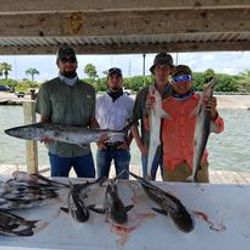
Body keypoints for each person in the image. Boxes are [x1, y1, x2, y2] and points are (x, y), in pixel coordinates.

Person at [36, 45, 98, 178]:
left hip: (83, 150)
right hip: (58, 150)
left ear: (76, 63)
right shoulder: (47, 88)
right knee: (58, 188)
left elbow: (92, 120)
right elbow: (44, 120)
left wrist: (100, 137)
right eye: (64, 60)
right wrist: (43, 135)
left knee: (90, 185)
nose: (68, 63)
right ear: (58, 63)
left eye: (72, 60)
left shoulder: (89, 90)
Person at [161, 65, 224, 182]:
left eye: (185, 77)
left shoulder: (203, 102)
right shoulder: (163, 105)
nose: (182, 82)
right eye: (177, 79)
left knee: (201, 200)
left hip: (199, 165)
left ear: (191, 80)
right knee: (171, 200)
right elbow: (150, 127)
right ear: (172, 82)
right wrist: (150, 110)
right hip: (172, 167)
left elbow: (219, 128)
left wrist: (214, 112)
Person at [132, 53, 174, 180]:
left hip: (171, 150)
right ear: (154, 70)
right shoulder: (144, 93)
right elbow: (133, 121)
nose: (161, 71)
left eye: (165, 68)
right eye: (158, 68)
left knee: (171, 184)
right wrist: (140, 145)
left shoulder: (176, 92)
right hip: (149, 148)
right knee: (148, 182)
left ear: (170, 71)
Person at [95, 68, 134, 179]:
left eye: (118, 77)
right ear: (107, 80)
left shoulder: (130, 102)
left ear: (122, 80)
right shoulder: (99, 101)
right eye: (111, 77)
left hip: (121, 147)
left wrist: (128, 143)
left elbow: (134, 126)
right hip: (103, 147)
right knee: (100, 182)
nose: (114, 80)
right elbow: (92, 122)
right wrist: (97, 142)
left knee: (123, 182)